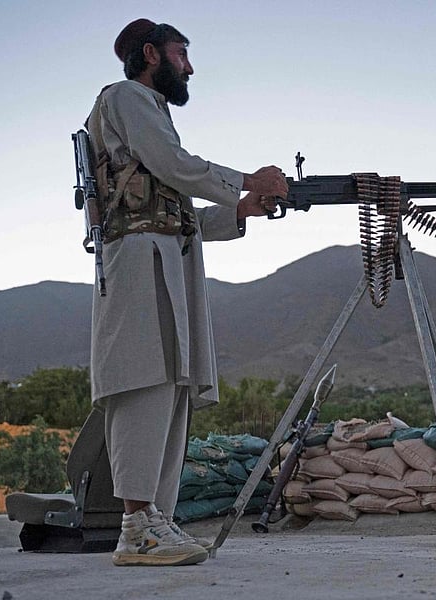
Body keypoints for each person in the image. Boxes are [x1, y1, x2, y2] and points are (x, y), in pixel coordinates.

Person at [85, 18, 288, 567]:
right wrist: (248, 180)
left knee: (172, 386)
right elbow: (173, 166)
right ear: (151, 54)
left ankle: (156, 521)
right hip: (137, 262)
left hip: (164, 258)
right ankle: (135, 526)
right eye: (181, 55)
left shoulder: (150, 113)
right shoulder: (126, 96)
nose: (190, 68)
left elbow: (175, 208)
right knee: (142, 382)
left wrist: (239, 210)